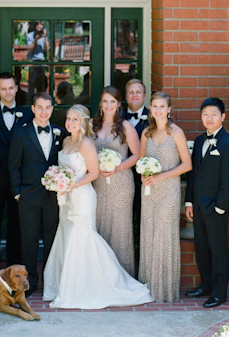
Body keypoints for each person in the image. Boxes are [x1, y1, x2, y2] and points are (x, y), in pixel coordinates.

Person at [43, 105, 153, 309]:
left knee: (82, 236)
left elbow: (93, 173)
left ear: (83, 121)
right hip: (66, 197)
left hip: (82, 196)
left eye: (75, 119)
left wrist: (70, 184)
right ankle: (66, 284)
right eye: (68, 119)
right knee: (67, 234)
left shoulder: (86, 144)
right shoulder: (66, 141)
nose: (70, 123)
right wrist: (58, 181)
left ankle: (89, 287)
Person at [185, 98, 229, 308]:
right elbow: (194, 175)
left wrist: (220, 207)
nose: (209, 118)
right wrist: (189, 202)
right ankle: (206, 285)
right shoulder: (199, 141)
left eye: (214, 114)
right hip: (198, 206)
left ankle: (219, 293)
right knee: (201, 247)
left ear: (223, 117)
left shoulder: (228, 144)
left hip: (216, 207)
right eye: (205, 114)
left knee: (218, 250)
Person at [138, 91, 192, 302]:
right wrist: (145, 175)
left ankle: (165, 289)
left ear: (169, 109)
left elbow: (187, 164)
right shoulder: (146, 133)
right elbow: (141, 161)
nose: (158, 110)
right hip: (149, 191)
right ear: (150, 109)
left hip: (169, 190)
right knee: (149, 234)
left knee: (165, 235)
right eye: (155, 107)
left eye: (162, 107)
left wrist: (161, 176)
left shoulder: (176, 133)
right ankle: (148, 285)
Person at [9, 92, 64, 295]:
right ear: (32, 109)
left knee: (52, 238)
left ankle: (50, 281)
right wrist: (17, 192)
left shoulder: (60, 132)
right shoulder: (21, 133)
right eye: (39, 107)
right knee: (29, 241)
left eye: (48, 107)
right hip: (28, 195)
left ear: (52, 109)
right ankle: (29, 281)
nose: (44, 111)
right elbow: (13, 165)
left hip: (52, 196)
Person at [0, 72, 33, 270]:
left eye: (11, 88)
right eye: (3, 88)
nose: (8, 92)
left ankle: (14, 269)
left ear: (17, 88)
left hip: (19, 181)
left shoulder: (28, 115)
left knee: (16, 227)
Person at [92, 86, 140, 276]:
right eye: (105, 101)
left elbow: (137, 154)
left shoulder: (125, 126)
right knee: (99, 225)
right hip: (98, 184)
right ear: (100, 104)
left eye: (113, 101)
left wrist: (117, 167)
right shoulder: (92, 125)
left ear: (119, 104)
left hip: (121, 183)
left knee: (120, 230)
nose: (109, 105)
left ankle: (122, 274)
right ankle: (101, 274)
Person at [123, 79, 149, 262]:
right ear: (126, 96)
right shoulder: (117, 118)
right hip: (122, 179)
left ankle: (141, 262)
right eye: (131, 92)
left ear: (144, 96)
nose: (134, 95)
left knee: (143, 221)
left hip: (146, 180)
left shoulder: (155, 116)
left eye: (138, 92)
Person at [26, 22, 50, 98]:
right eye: (38, 28)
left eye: (41, 28)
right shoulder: (30, 36)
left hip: (41, 62)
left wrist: (45, 37)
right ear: (35, 27)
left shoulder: (44, 36)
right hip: (33, 61)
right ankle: (30, 99)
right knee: (32, 82)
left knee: (41, 83)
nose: (39, 30)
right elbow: (30, 50)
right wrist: (36, 39)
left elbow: (47, 49)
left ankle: (41, 97)